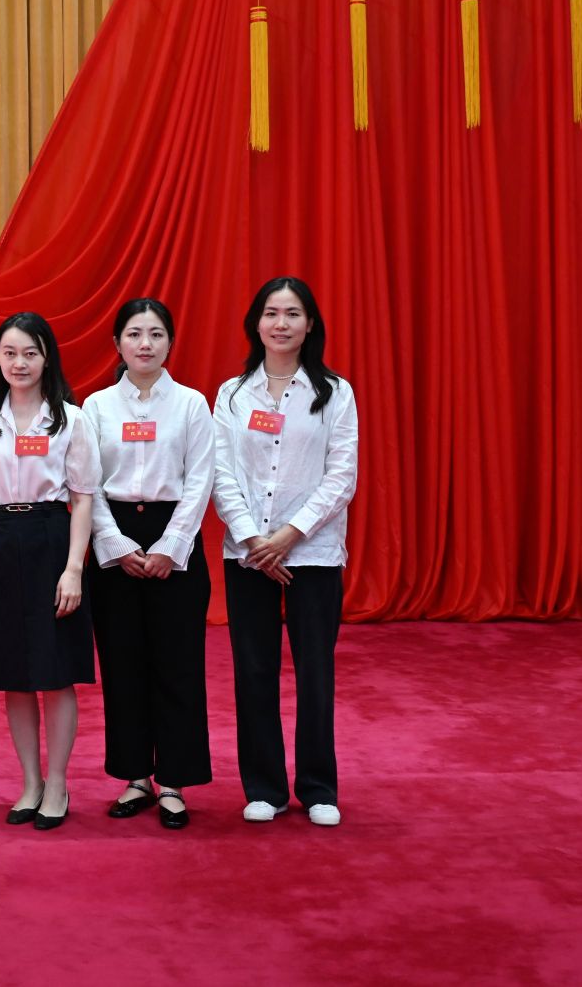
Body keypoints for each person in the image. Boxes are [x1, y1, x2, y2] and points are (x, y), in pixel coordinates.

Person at [212, 276, 359, 828]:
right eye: (271, 313)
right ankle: (265, 787)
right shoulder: (232, 394)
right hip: (248, 554)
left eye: (292, 314)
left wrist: (289, 536)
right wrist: (254, 539)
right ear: (256, 323)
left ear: (310, 324)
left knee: (315, 671)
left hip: (313, 552)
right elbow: (221, 473)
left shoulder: (335, 393)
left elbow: (341, 476)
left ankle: (319, 787)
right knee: (254, 670)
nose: (281, 323)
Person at [0, 312, 100, 831]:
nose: (20, 363)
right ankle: (31, 782)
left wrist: (74, 569)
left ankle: (58, 783)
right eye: (10, 353)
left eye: (30, 353)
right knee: (13, 674)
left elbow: (83, 498)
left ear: (46, 359)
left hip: (50, 540)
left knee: (55, 673)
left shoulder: (70, 420)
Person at [82, 298, 216, 829]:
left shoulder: (191, 404)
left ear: (170, 343)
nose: (145, 344)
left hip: (173, 540)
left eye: (156, 334)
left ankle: (175, 782)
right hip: (114, 541)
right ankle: (136, 776)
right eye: (134, 334)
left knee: (177, 666)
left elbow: (201, 479)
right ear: (117, 343)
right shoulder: (96, 407)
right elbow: (86, 482)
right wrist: (114, 545)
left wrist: (170, 546)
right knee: (123, 666)